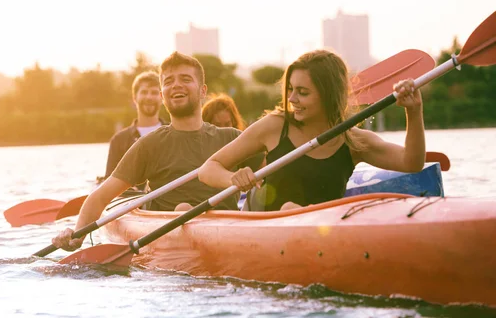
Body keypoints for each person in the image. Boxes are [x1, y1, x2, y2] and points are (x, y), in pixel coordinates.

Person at [53, 51, 262, 251]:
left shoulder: (232, 138)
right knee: (183, 209)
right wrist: (77, 234)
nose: (176, 85)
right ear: (163, 95)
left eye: (186, 79)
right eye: (169, 81)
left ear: (203, 91)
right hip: (173, 240)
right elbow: (100, 197)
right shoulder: (149, 145)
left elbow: (274, 173)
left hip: (229, 234)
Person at [198, 49, 426, 211]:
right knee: (289, 207)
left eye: (303, 92)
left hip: (321, 233)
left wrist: (413, 112)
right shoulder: (275, 126)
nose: (292, 98)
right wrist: (233, 179)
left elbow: (411, 163)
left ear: (328, 96)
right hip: (265, 223)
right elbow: (208, 169)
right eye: (290, 89)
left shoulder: (354, 141)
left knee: (295, 209)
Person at [101, 71, 166, 187]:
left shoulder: (173, 133)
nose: (149, 97)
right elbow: (108, 184)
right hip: (132, 202)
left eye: (154, 93)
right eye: (144, 92)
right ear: (134, 98)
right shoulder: (119, 140)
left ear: (162, 98)